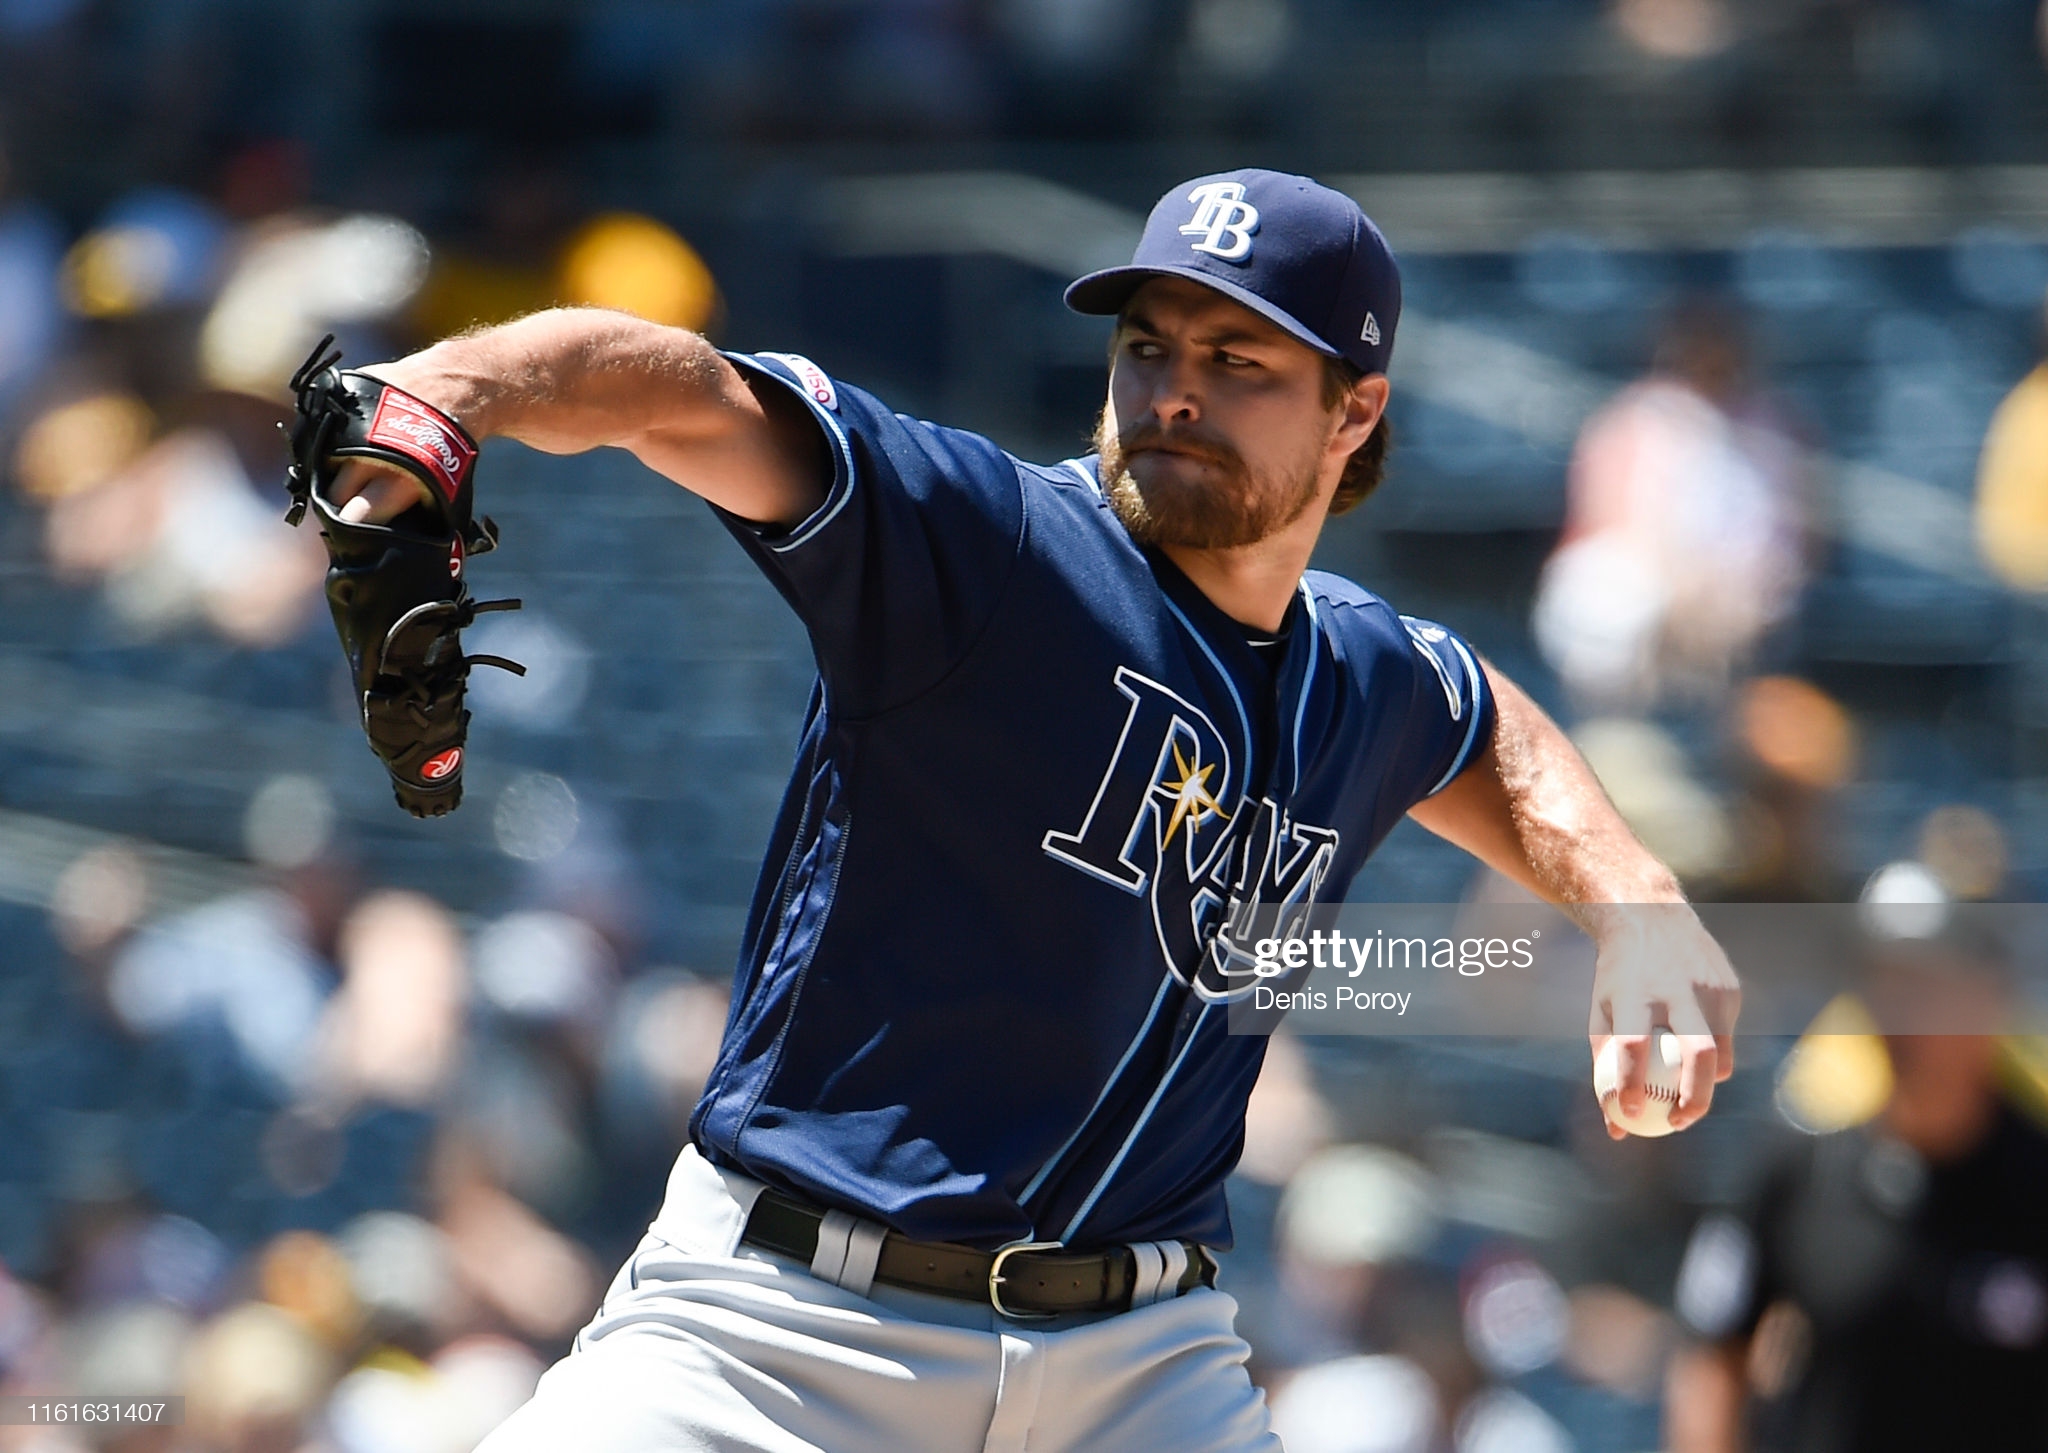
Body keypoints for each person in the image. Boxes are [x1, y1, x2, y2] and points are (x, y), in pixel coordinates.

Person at [321, 170, 1739, 1452]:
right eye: (1148, 346)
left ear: (1355, 410)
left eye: (1237, 361)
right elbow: (682, 393)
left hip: (1144, 1366)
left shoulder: (1358, 674)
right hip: (786, 1335)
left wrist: (1637, 899)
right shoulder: (990, 540)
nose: (1174, 389)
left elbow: (1484, 720)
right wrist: (459, 383)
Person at [1664, 919, 2048, 1452]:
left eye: (1925, 987)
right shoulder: (1802, 1164)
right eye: (1885, 984)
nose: (1898, 1013)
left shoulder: (2035, 1182)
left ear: (1989, 998)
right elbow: (1713, 1352)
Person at [1533, 299, 1809, 713]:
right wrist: (1679, 581)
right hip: (1647, 581)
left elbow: (1791, 535)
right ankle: (1611, 719)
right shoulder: (1638, 414)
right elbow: (1608, 514)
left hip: (1734, 597)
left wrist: (1727, 588)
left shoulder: (1770, 422)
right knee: (1605, 586)